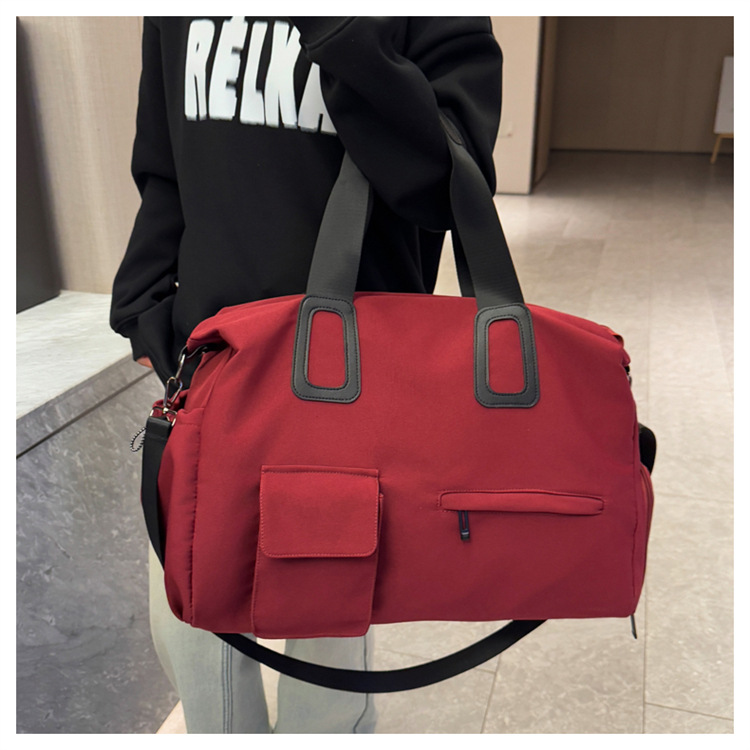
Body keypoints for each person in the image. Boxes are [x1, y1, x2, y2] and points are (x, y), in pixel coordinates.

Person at [110, 16, 503, 734]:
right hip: (213, 358)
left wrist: (344, 34)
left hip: (353, 378)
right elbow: (166, 157)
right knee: (192, 617)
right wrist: (143, 295)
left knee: (329, 630)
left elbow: (447, 186)